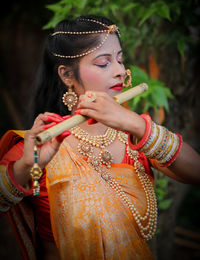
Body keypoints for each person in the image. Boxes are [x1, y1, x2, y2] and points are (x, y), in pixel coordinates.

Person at [0, 15, 200, 260]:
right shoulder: (42, 144)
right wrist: (25, 168)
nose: (119, 71)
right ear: (67, 76)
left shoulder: (136, 134)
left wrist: (135, 123)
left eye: (119, 59)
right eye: (104, 63)